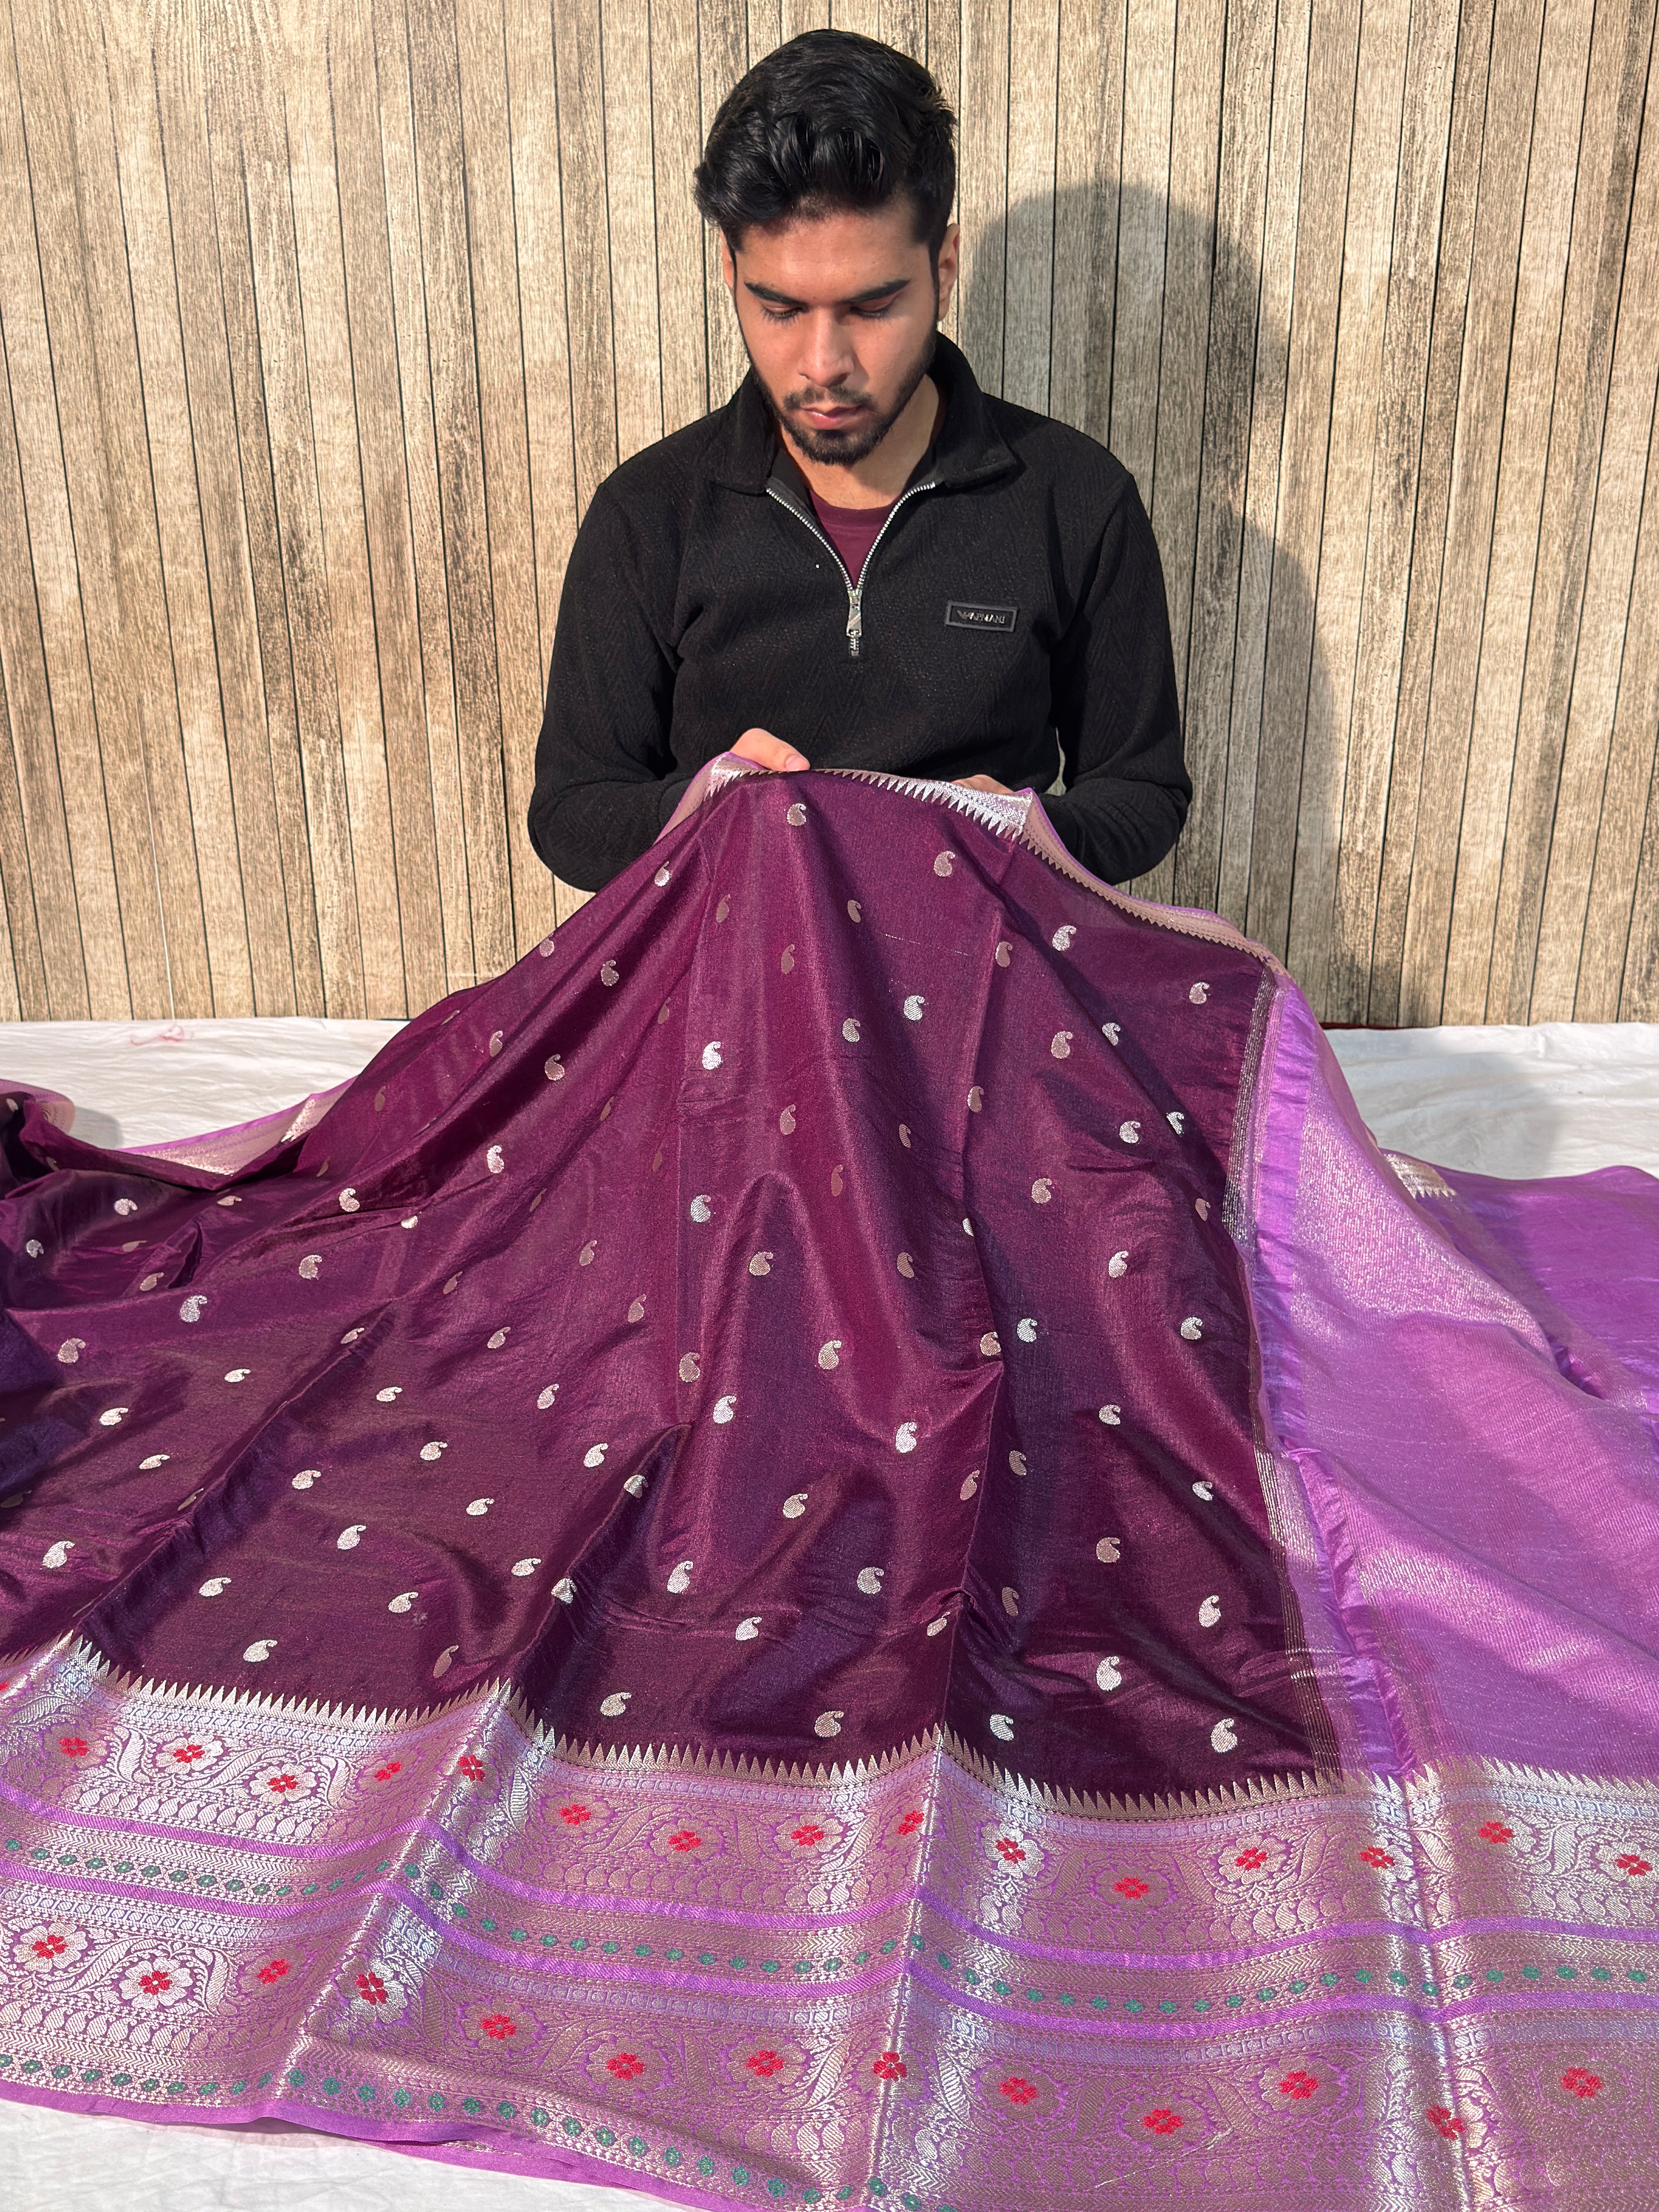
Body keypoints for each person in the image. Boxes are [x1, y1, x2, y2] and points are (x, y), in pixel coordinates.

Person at [529, 29, 1190, 894]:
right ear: (730, 271)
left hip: (981, 965)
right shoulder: (649, 513)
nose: (822, 363)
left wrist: (1029, 832)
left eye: (873, 306)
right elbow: (572, 808)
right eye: (779, 308)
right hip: (731, 981)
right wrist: (705, 810)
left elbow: (1142, 789)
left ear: (942, 268)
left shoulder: (1076, 499)